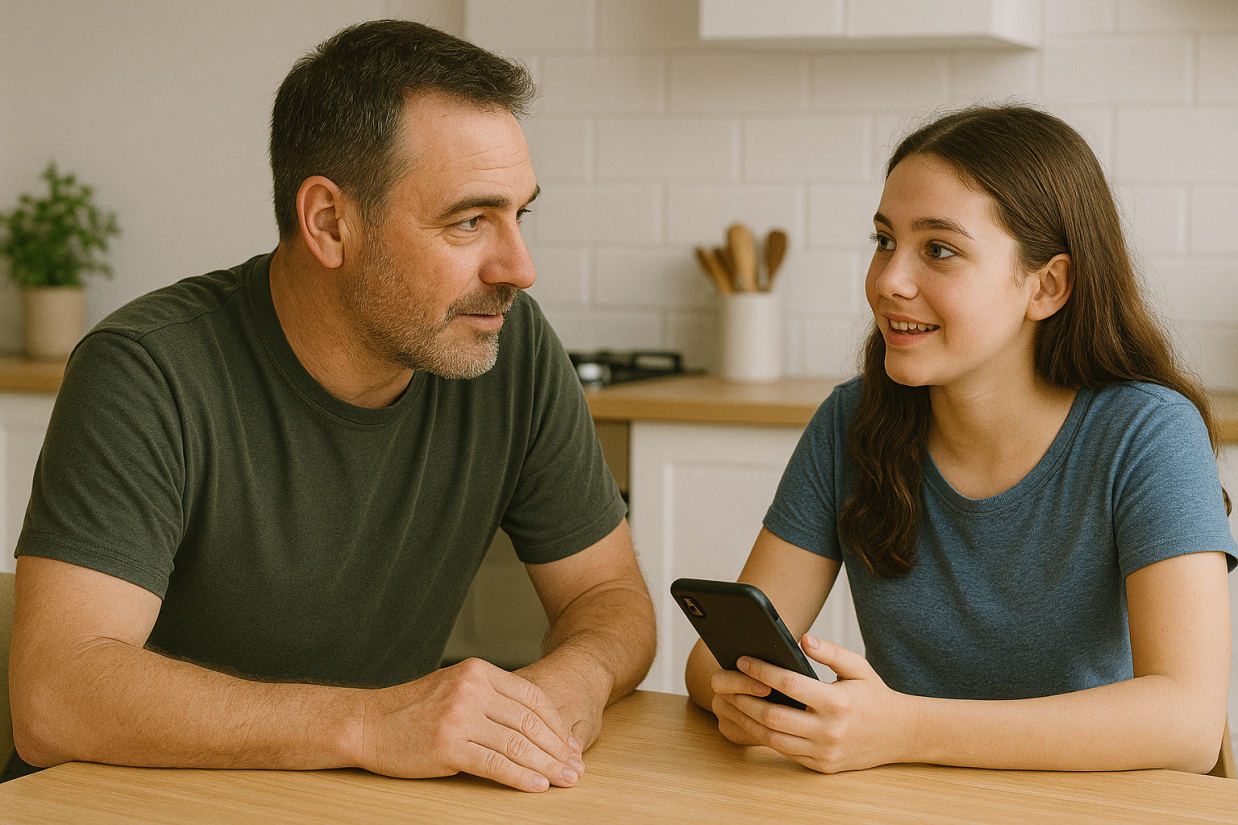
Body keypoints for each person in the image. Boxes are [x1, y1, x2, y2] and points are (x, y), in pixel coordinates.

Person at [8, 20, 655, 794]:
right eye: (470, 220)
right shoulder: (146, 371)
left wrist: (573, 680)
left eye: (522, 213)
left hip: (358, 799)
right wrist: (373, 722)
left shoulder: (507, 348)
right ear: (328, 222)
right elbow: (54, 697)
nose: (521, 266)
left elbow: (608, 595)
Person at [685, 104, 1235, 775]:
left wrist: (905, 728)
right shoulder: (850, 421)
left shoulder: (1147, 432)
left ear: (1048, 284)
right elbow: (709, 664)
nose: (889, 280)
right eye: (885, 240)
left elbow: (1187, 722)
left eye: (939, 249)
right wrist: (750, 699)